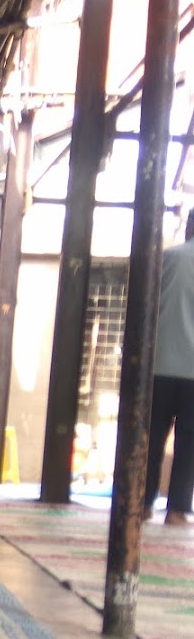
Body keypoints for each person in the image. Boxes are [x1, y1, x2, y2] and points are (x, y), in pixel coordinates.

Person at [144, 212, 194, 527]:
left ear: (189, 226)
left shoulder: (168, 257)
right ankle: (176, 510)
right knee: (189, 442)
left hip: (158, 366)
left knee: (150, 438)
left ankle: (142, 505)